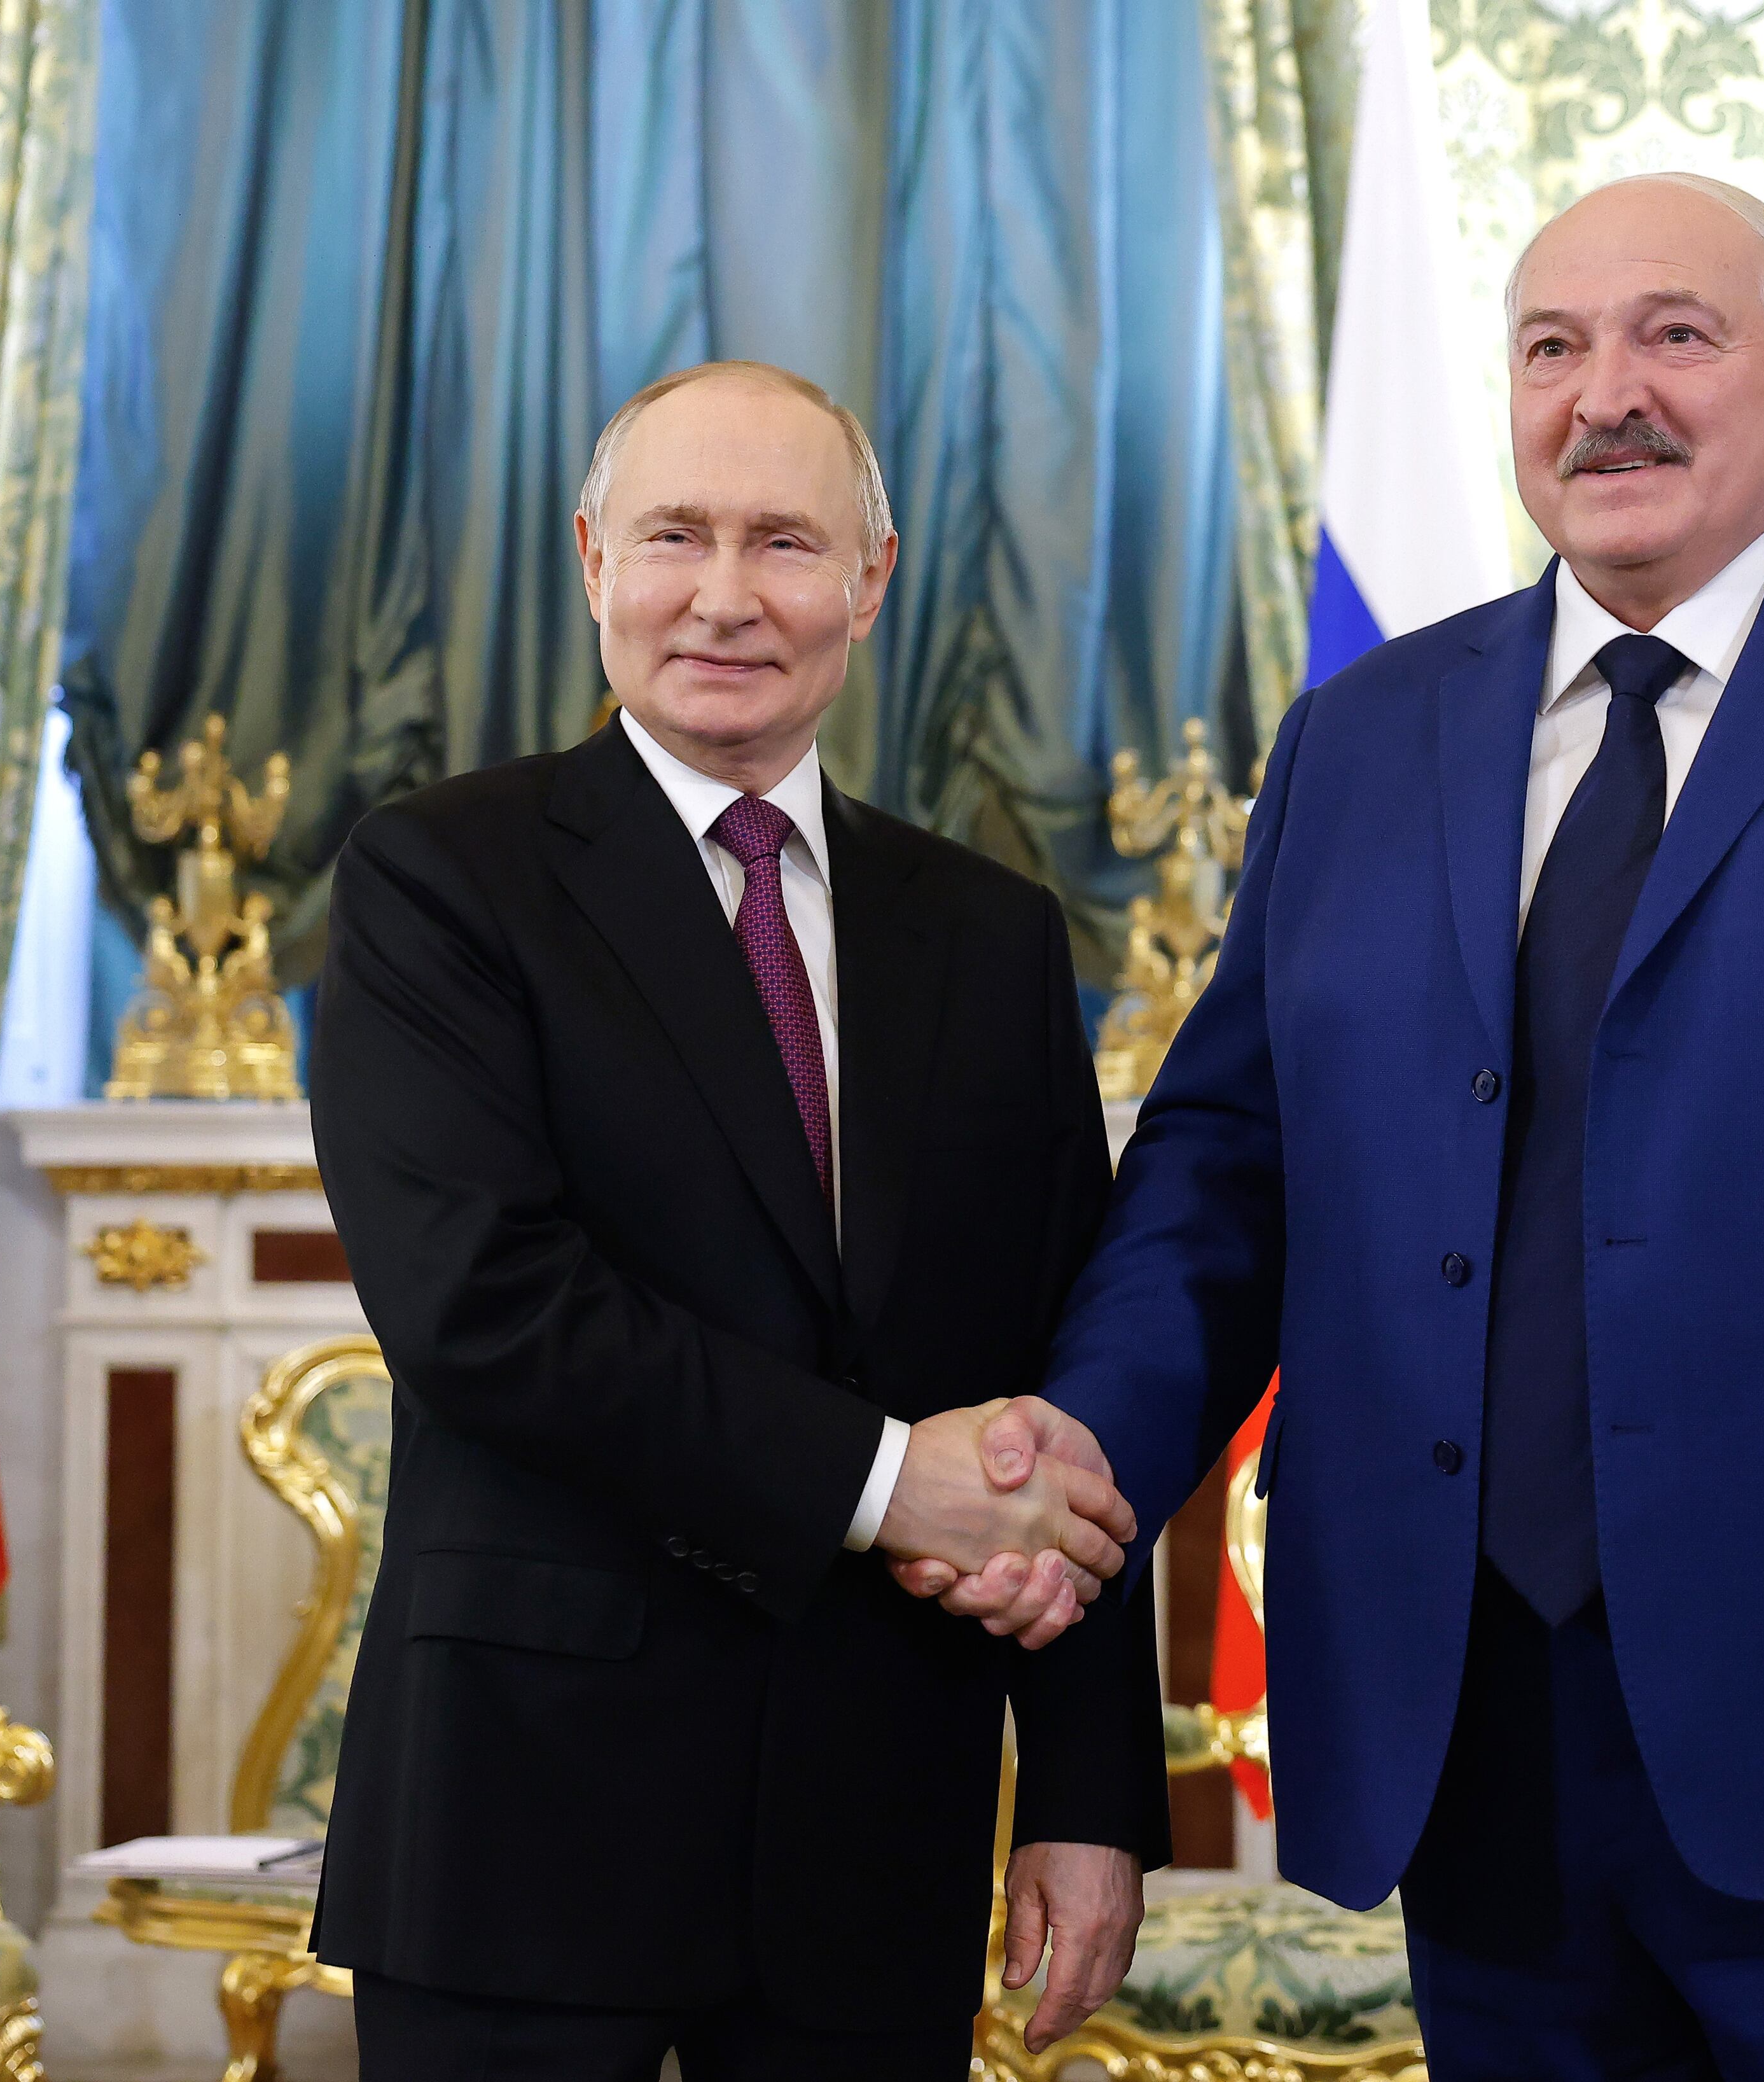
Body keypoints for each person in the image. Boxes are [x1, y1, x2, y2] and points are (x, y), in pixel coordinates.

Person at [912, 174, 1764, 2078]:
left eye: (1676, 334)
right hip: (1472, 1741)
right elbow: (1229, 1176)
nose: (1605, 395)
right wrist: (1079, 1458)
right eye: (1552, 347)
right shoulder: (1367, 734)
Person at [310, 360, 1163, 2079]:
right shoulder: (438, 877)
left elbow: (1060, 1371)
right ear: (590, 561)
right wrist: (877, 1481)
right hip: (528, 1834)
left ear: (872, 578)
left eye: (784, 542)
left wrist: (1086, 1795)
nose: (723, 596)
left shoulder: (990, 934)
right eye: (673, 538)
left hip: (878, 1836)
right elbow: (485, 1307)